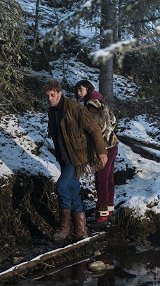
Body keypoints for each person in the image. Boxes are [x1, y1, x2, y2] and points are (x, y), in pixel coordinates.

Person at [44, 79, 108, 243]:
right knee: (72, 189)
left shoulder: (74, 108)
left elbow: (93, 129)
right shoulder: (52, 110)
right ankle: (81, 230)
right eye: (47, 96)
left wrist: (101, 152)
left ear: (59, 93)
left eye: (52, 95)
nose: (50, 98)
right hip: (64, 156)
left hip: (78, 156)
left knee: (62, 186)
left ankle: (64, 228)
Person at [75, 80, 118, 228]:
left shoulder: (91, 104)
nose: (79, 93)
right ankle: (109, 210)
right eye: (77, 91)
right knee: (108, 180)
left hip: (104, 148)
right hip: (113, 144)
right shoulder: (100, 100)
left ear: (87, 89)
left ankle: (102, 216)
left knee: (101, 181)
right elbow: (113, 120)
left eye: (81, 90)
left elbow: (94, 128)